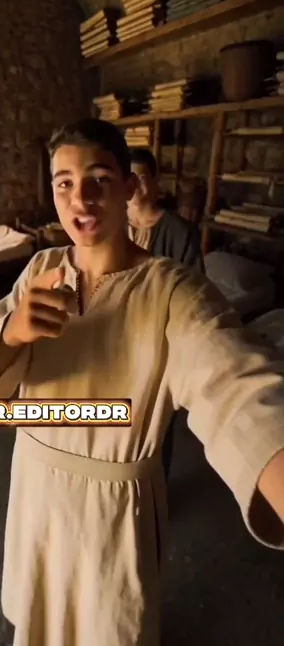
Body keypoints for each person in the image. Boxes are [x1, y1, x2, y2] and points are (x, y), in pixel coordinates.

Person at [0, 119, 284, 646]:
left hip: (111, 511)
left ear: (129, 186)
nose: (81, 199)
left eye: (99, 179)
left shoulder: (173, 291)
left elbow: (236, 385)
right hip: (35, 488)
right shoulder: (42, 267)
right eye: (64, 183)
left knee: (107, 624)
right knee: (41, 618)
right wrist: (12, 332)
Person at [128, 146, 204, 480]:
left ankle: (156, 488)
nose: (138, 185)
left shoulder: (179, 232)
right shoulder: (110, 226)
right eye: (131, 177)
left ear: (156, 181)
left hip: (160, 341)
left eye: (144, 177)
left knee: (157, 420)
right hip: (117, 339)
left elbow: (193, 292)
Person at [127, 147, 204, 270]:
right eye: (129, 179)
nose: (135, 185)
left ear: (155, 179)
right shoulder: (113, 224)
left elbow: (195, 279)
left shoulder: (180, 232)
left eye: (141, 178)